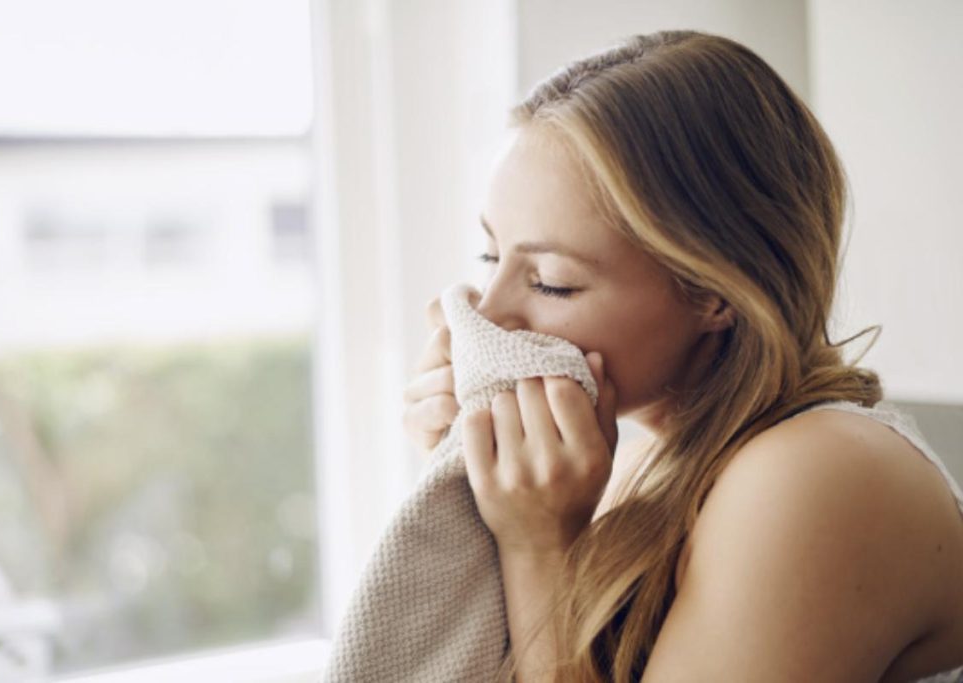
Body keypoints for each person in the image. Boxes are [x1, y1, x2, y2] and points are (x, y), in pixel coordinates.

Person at [401, 30, 963, 682]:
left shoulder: (818, 473)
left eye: (551, 279)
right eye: (492, 257)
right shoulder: (635, 469)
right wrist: (470, 485)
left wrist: (537, 544)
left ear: (714, 292)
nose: (489, 313)